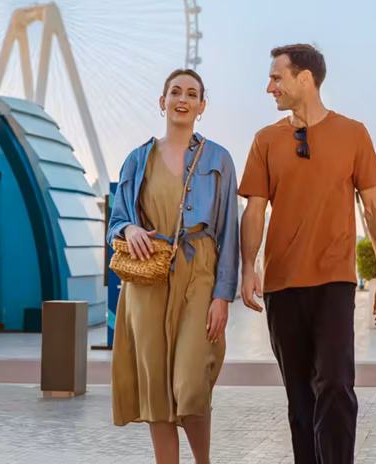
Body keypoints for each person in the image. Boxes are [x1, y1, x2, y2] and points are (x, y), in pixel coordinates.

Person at [239, 43, 376, 464]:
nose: (269, 87)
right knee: (299, 398)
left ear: (304, 78)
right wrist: (247, 268)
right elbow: (254, 209)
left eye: (276, 77)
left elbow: (374, 206)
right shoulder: (266, 140)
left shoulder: (353, 133)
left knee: (337, 385)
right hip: (282, 286)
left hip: (334, 283)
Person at [109, 69, 240, 464]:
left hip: (199, 273)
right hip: (147, 281)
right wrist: (130, 227)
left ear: (202, 107)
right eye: (175, 92)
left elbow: (229, 230)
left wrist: (223, 295)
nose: (183, 99)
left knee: (190, 383)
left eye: (192, 94)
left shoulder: (219, 159)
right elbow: (116, 222)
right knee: (156, 390)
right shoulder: (137, 160)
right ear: (162, 101)